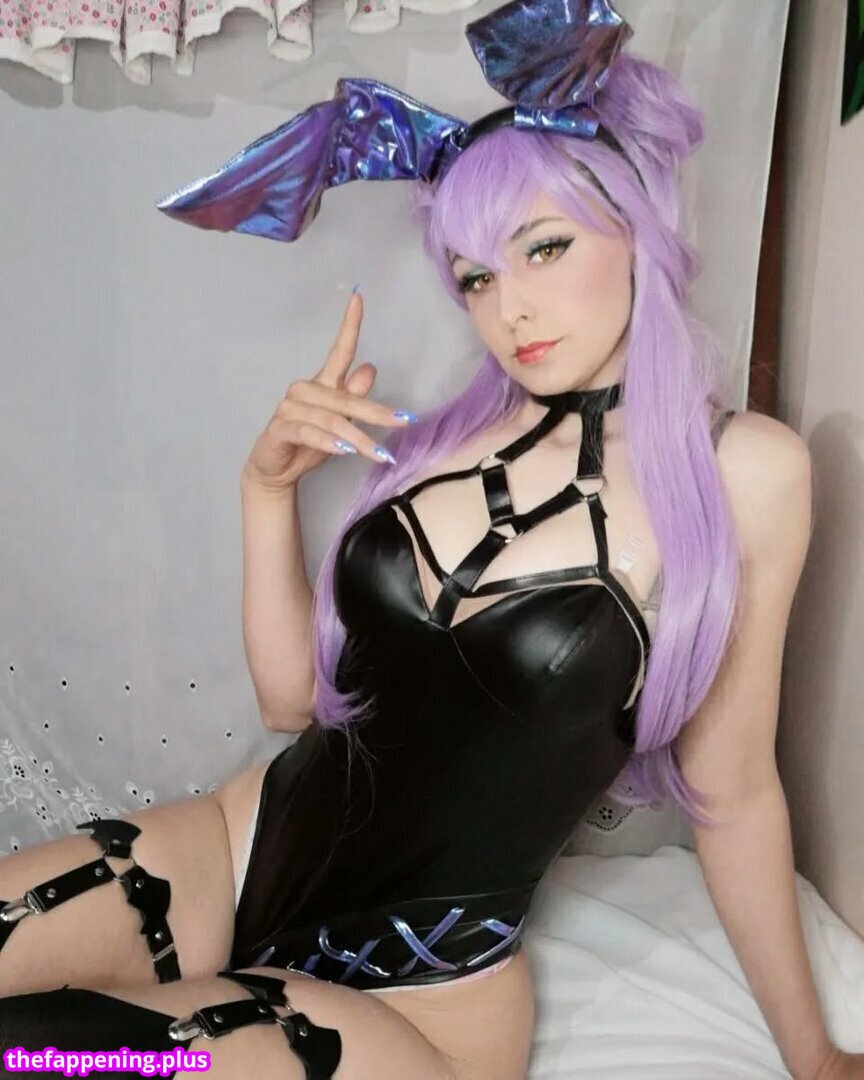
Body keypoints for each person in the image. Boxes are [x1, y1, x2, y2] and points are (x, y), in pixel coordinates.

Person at [2, 1, 861, 1077]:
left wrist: (814, 1057)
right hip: (237, 849)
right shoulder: (444, 440)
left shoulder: (745, 471)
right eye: (478, 277)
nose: (512, 310)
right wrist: (265, 489)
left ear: (637, 229)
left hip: (423, 999)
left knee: (29, 1055)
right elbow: (291, 704)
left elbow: (731, 793)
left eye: (546, 247)